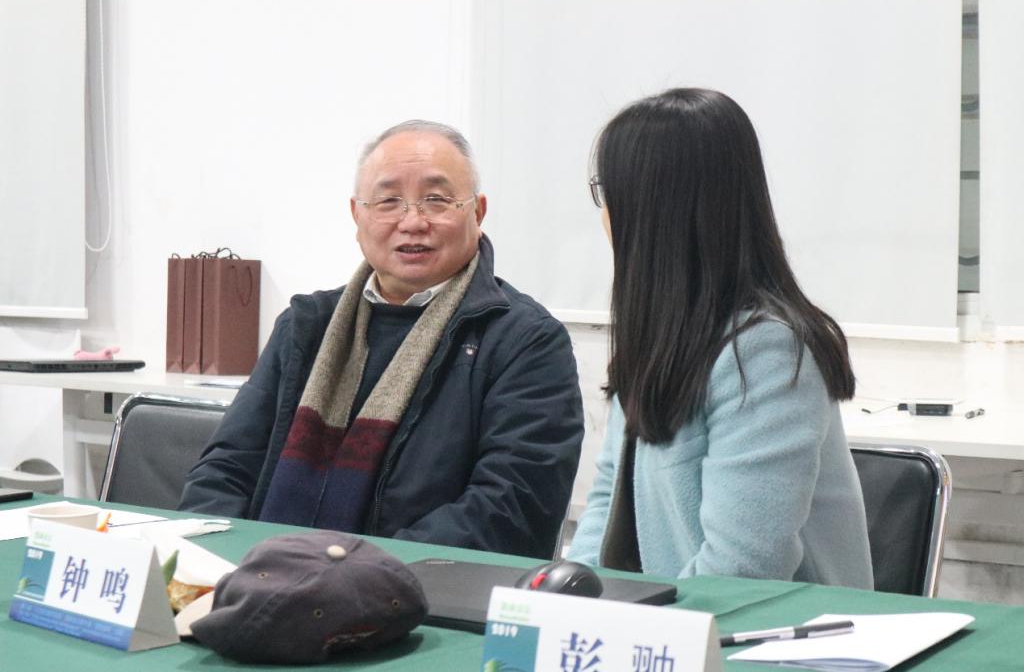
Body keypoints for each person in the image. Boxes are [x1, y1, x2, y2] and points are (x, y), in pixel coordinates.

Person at [179, 120, 584, 559]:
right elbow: (224, 470)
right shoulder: (306, 325)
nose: (412, 222)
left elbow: (511, 511)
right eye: (389, 201)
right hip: (260, 577)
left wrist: (356, 575)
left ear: (478, 212)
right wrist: (218, 565)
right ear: (357, 214)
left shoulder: (526, 341)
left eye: (436, 200)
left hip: (413, 590)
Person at [568, 89, 873, 588]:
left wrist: (634, 622)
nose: (604, 214)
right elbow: (607, 504)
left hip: (762, 628)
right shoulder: (658, 336)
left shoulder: (767, 351)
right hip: (669, 619)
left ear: (651, 207)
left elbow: (742, 570)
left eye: (608, 191)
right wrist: (574, 595)